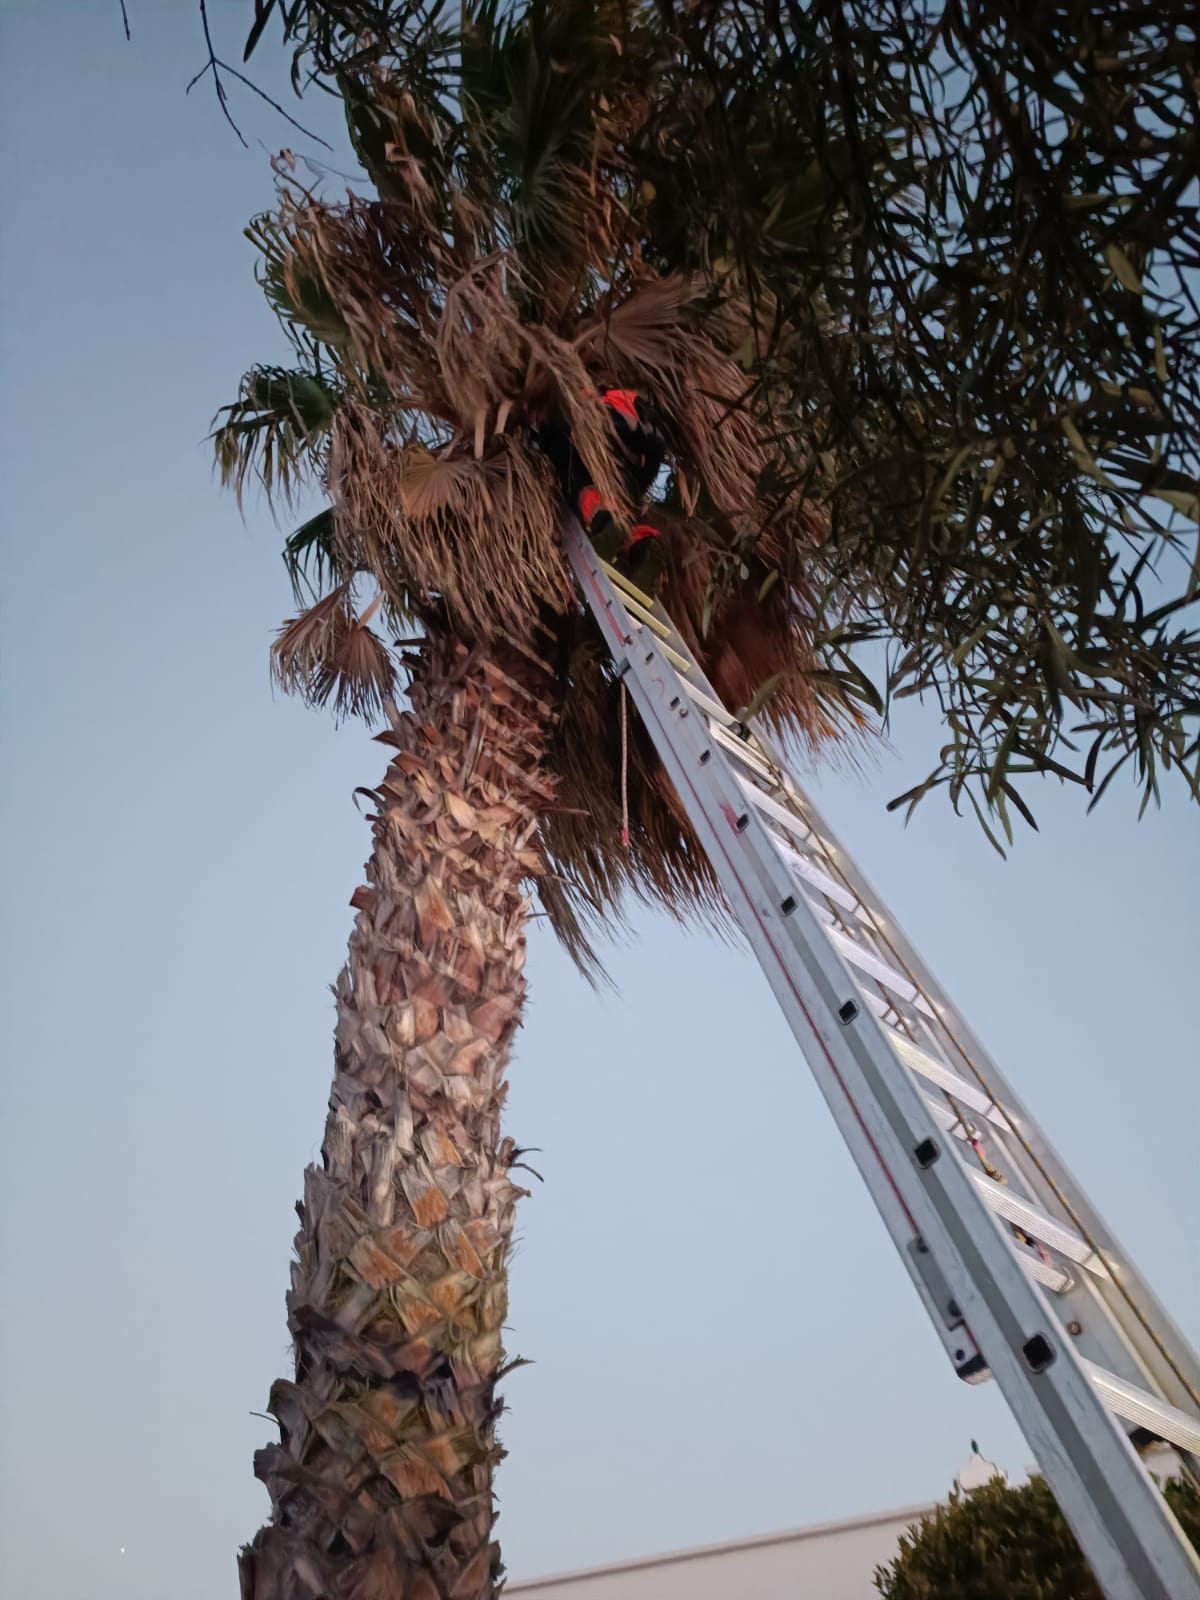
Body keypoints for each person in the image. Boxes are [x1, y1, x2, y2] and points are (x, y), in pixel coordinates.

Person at [538, 388, 668, 589]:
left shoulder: (581, 396)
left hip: (603, 436)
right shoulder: (626, 399)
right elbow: (655, 448)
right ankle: (643, 545)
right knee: (623, 502)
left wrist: (546, 438)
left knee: (580, 486)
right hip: (629, 459)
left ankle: (609, 522)